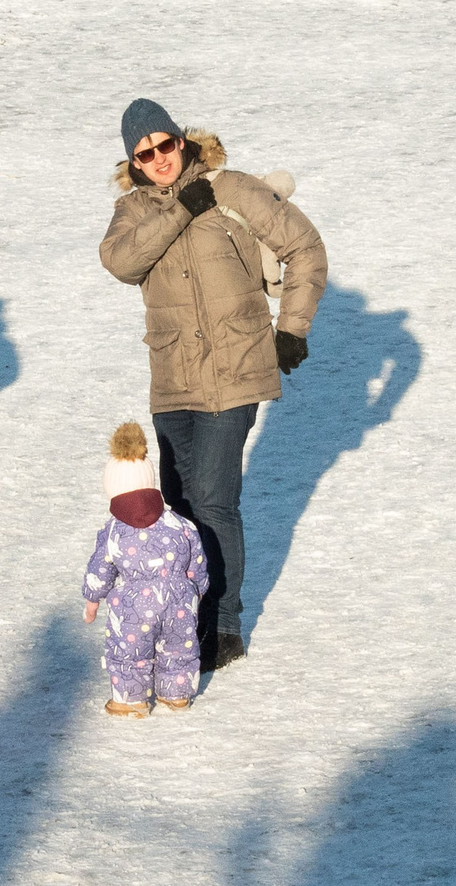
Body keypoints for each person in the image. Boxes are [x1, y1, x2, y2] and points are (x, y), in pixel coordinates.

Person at [98, 98, 326, 672]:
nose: (158, 160)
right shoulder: (131, 213)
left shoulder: (234, 190)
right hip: (173, 378)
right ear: (134, 162)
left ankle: (222, 626)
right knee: (177, 504)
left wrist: (291, 329)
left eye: (165, 145)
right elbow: (122, 262)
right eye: (144, 154)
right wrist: (180, 211)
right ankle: (184, 616)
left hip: (236, 371)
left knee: (215, 501)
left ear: (181, 140)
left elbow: (306, 248)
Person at [82, 422, 208, 718]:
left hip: (133, 607)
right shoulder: (180, 524)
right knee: (178, 649)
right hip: (179, 600)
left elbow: (100, 568)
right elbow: (197, 561)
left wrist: (92, 600)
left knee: (129, 653)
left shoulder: (114, 530)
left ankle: (130, 700)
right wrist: (197, 592)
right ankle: (176, 694)